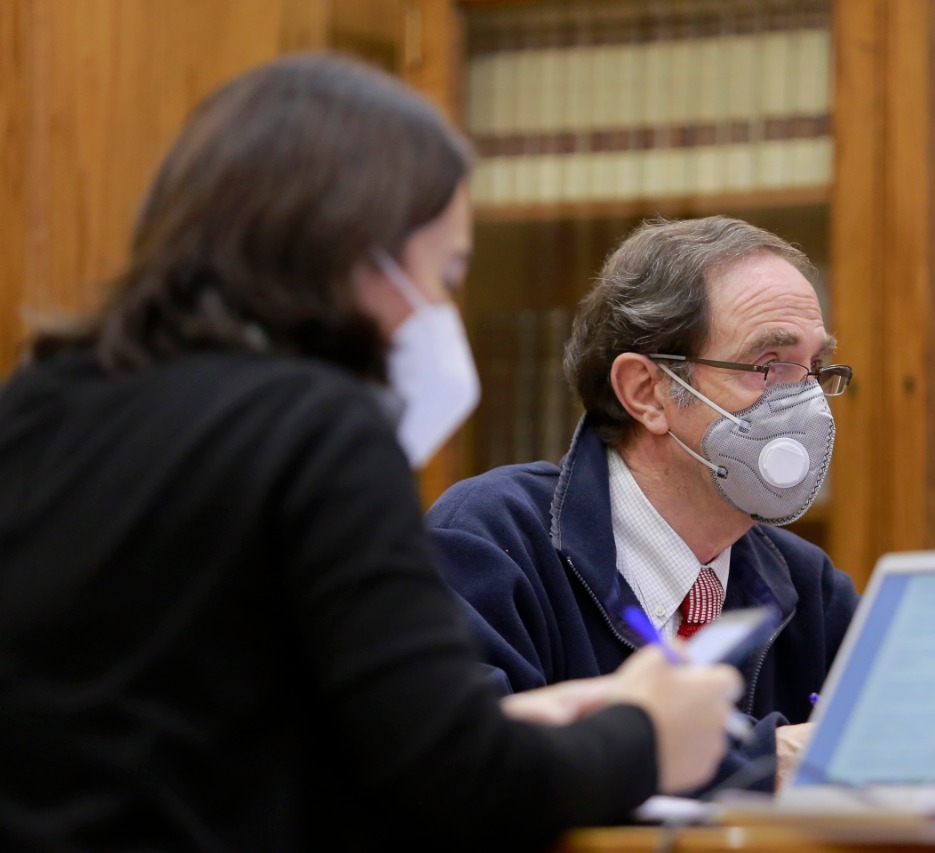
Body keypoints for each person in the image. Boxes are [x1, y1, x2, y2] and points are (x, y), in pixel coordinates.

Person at [0, 55, 745, 852]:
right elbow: (458, 786)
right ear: (356, 251)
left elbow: (199, 728)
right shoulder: (318, 427)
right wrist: (646, 736)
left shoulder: (41, 399)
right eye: (446, 272)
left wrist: (513, 725)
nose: (442, 310)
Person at [425, 215, 935, 795]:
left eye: (818, 368)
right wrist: (774, 758)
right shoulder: (492, 540)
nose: (806, 401)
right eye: (769, 364)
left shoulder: (797, 581)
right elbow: (473, 780)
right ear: (647, 391)